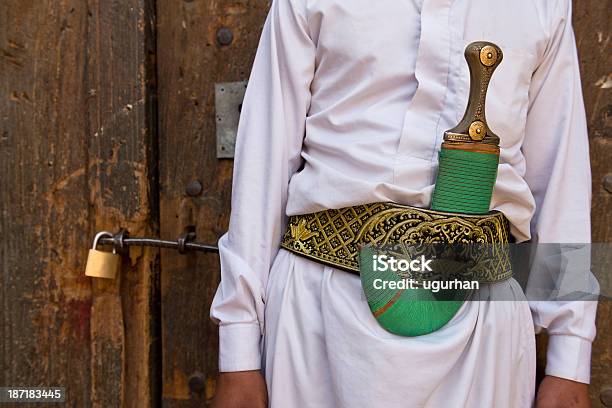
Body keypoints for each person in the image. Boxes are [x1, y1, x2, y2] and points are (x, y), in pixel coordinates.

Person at [210, 0, 598, 406]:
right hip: (320, 318)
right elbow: (264, 161)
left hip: (482, 323)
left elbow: (560, 179)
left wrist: (569, 359)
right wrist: (238, 349)